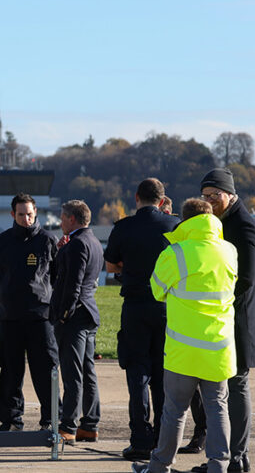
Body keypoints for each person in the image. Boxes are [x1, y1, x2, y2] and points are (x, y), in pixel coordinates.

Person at [131, 198, 238, 473]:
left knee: (174, 410)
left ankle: (160, 464)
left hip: (184, 348)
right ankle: (219, 464)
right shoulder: (229, 251)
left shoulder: (176, 252)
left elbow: (156, 290)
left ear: (185, 221)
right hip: (219, 347)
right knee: (218, 408)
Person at [189, 168, 255, 473]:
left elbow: (244, 279)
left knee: (236, 385)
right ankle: (218, 454)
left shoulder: (244, 228)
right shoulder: (213, 224)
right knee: (214, 390)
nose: (208, 201)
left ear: (230, 195)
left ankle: (238, 456)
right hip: (214, 321)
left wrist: (210, 298)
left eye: (214, 195)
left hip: (235, 322)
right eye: (204, 196)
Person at [105, 178, 180, 460]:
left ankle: (139, 439)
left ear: (136, 197)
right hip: (166, 306)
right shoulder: (174, 226)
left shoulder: (123, 226)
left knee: (137, 374)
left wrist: (129, 266)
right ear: (162, 200)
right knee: (163, 376)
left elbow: (110, 264)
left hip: (135, 304)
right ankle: (163, 438)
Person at [0, 193, 60, 431]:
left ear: (36, 212)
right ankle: (10, 420)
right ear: (12, 215)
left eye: (30, 214)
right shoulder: (2, 241)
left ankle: (51, 420)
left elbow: (58, 276)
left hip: (40, 318)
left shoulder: (48, 241)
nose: (26, 218)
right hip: (10, 317)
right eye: (21, 214)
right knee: (10, 370)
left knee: (45, 370)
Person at [50, 199, 102, 445]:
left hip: (75, 317)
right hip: (89, 313)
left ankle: (68, 426)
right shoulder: (93, 241)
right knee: (88, 371)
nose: (60, 222)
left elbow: (73, 284)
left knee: (73, 374)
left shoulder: (77, 244)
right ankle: (89, 425)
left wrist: (63, 315)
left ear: (72, 219)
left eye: (62, 218)